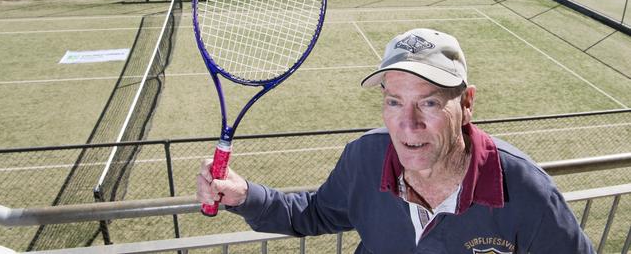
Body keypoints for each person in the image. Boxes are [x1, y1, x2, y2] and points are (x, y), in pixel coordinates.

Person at [197, 28, 595, 253]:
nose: (408, 124)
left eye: (430, 102)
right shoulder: (364, 158)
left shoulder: (526, 190)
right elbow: (314, 213)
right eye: (393, 101)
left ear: (467, 103)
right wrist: (245, 195)